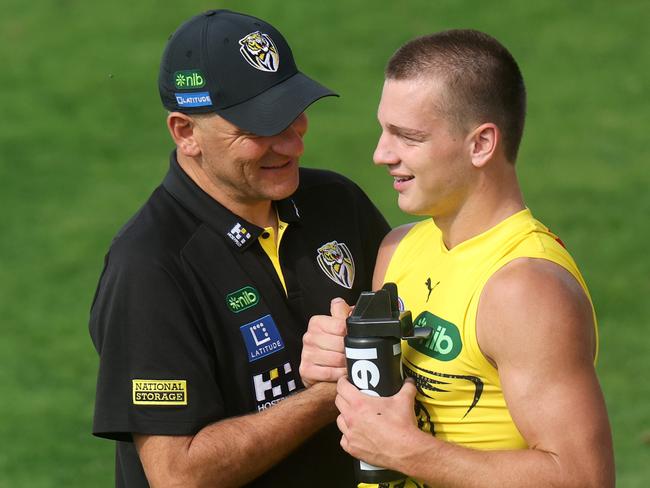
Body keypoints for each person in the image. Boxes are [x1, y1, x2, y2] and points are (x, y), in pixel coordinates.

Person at [89, 9, 390, 487]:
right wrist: (333, 389)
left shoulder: (337, 203)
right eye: (259, 128)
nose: (292, 145)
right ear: (186, 133)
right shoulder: (149, 266)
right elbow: (178, 474)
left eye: (293, 115)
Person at [300, 30, 615, 487]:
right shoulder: (397, 249)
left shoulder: (525, 288)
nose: (380, 154)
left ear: (481, 144)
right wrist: (334, 362)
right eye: (383, 129)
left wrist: (409, 452)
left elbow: (583, 478)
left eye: (408, 137)